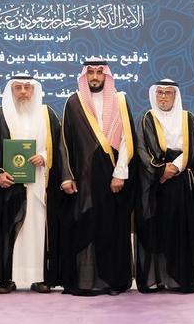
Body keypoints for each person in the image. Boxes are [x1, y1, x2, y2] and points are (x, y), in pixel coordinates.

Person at [58, 58, 137, 295]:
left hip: (113, 177)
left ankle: (113, 281)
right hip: (83, 180)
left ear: (106, 75)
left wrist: (120, 173)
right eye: (90, 72)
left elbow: (127, 140)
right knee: (85, 226)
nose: (94, 77)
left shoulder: (120, 100)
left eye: (99, 72)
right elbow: (64, 142)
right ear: (85, 75)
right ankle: (84, 281)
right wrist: (66, 176)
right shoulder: (74, 102)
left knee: (111, 229)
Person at [0, 73, 62, 293]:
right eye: (18, 88)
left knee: (38, 230)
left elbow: (59, 146)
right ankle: (7, 279)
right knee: (9, 230)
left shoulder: (47, 114)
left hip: (39, 185)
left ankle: (40, 278)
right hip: (9, 187)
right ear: (11, 91)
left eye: (28, 87)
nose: (23, 92)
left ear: (34, 90)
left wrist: (44, 156)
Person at [134, 79, 194, 292]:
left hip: (180, 183)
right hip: (154, 184)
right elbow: (142, 149)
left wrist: (175, 167)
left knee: (179, 230)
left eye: (168, 93)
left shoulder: (187, 118)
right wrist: (160, 170)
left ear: (175, 96)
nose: (163, 97)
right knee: (155, 230)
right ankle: (155, 279)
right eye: (160, 93)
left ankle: (178, 279)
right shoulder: (147, 118)